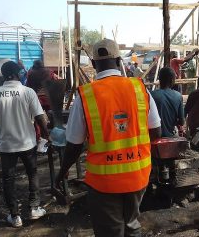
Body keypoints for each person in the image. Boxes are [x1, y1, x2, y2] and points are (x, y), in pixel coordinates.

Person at [55, 39, 161, 237]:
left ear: (94, 64)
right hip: (138, 176)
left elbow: (74, 146)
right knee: (131, 224)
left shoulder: (85, 96)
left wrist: (60, 175)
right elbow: (156, 131)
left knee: (110, 232)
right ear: (119, 60)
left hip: (104, 182)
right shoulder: (140, 89)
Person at [0, 61, 49, 227]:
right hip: (27, 143)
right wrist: (47, 135)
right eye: (20, 71)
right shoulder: (27, 92)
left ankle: (15, 216)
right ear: (15, 73)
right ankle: (34, 208)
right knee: (32, 174)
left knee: (8, 179)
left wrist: (0, 129)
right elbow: (40, 117)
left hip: (6, 145)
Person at [151, 67, 185, 137]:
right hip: (170, 137)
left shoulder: (151, 95)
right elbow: (182, 122)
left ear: (159, 79)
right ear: (172, 80)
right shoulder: (178, 96)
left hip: (153, 137)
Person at [26, 60, 53, 140]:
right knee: (52, 116)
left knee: (37, 118)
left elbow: (28, 85)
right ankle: (52, 135)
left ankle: (39, 136)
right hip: (48, 98)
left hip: (36, 98)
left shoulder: (30, 73)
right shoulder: (49, 72)